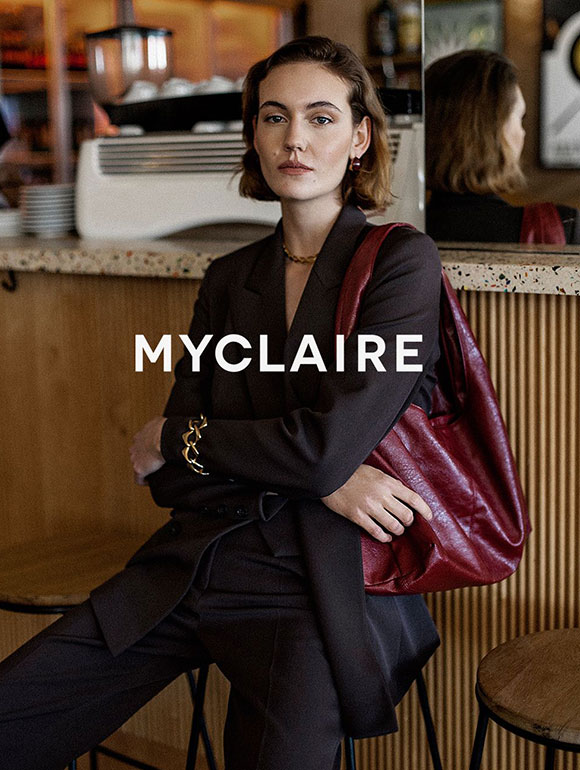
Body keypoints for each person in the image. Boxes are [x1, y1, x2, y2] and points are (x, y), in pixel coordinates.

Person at [0, 36, 442, 770]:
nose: (294, 138)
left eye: (321, 117)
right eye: (274, 116)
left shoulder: (401, 263)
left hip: (309, 588)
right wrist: (322, 479)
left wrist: (180, 435)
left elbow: (314, 449)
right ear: (254, 136)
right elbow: (174, 480)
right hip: (194, 562)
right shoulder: (229, 277)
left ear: (360, 137)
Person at [425, 49, 580, 244]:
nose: (522, 133)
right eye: (519, 118)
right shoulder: (559, 228)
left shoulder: (400, 234)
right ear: (492, 131)